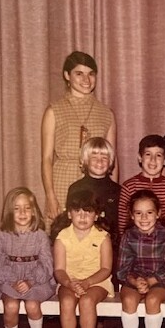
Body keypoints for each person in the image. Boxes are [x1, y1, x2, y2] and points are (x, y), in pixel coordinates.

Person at [41, 51, 117, 221]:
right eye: (79, 74)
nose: (86, 80)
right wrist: (50, 196)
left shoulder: (107, 113)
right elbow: (46, 158)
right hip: (63, 181)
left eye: (91, 74)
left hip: (97, 183)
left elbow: (112, 159)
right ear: (67, 75)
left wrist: (112, 195)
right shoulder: (54, 110)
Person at [52, 190, 114, 328]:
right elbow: (59, 270)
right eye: (77, 211)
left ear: (97, 215)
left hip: (97, 282)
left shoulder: (102, 237)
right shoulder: (62, 237)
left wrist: (86, 283)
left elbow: (106, 269)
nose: (82, 216)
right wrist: (70, 284)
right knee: (67, 301)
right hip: (69, 282)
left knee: (87, 301)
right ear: (69, 213)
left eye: (88, 211)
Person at [0, 187, 55, 328]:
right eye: (17, 208)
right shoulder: (2, 235)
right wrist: (13, 280)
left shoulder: (41, 236)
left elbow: (47, 264)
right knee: (11, 305)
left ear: (34, 211)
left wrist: (30, 281)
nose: (22, 213)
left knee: (32, 304)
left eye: (27, 208)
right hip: (8, 280)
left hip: (36, 281)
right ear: (9, 211)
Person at [117, 190, 165, 328]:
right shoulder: (128, 236)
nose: (144, 218)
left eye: (149, 212)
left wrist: (150, 281)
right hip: (135, 279)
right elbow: (122, 269)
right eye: (138, 213)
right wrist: (135, 281)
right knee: (128, 301)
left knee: (152, 300)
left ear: (158, 213)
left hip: (160, 280)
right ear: (132, 215)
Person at [67, 137, 121, 252]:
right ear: (85, 160)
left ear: (111, 161)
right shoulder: (76, 188)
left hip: (111, 246)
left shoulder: (117, 190)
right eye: (94, 157)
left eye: (104, 157)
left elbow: (120, 224)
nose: (99, 162)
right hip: (82, 245)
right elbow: (70, 221)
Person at [118, 135, 165, 235]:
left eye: (158, 155)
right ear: (139, 157)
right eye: (148, 154)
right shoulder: (129, 186)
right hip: (134, 240)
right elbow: (122, 221)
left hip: (162, 240)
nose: (153, 160)